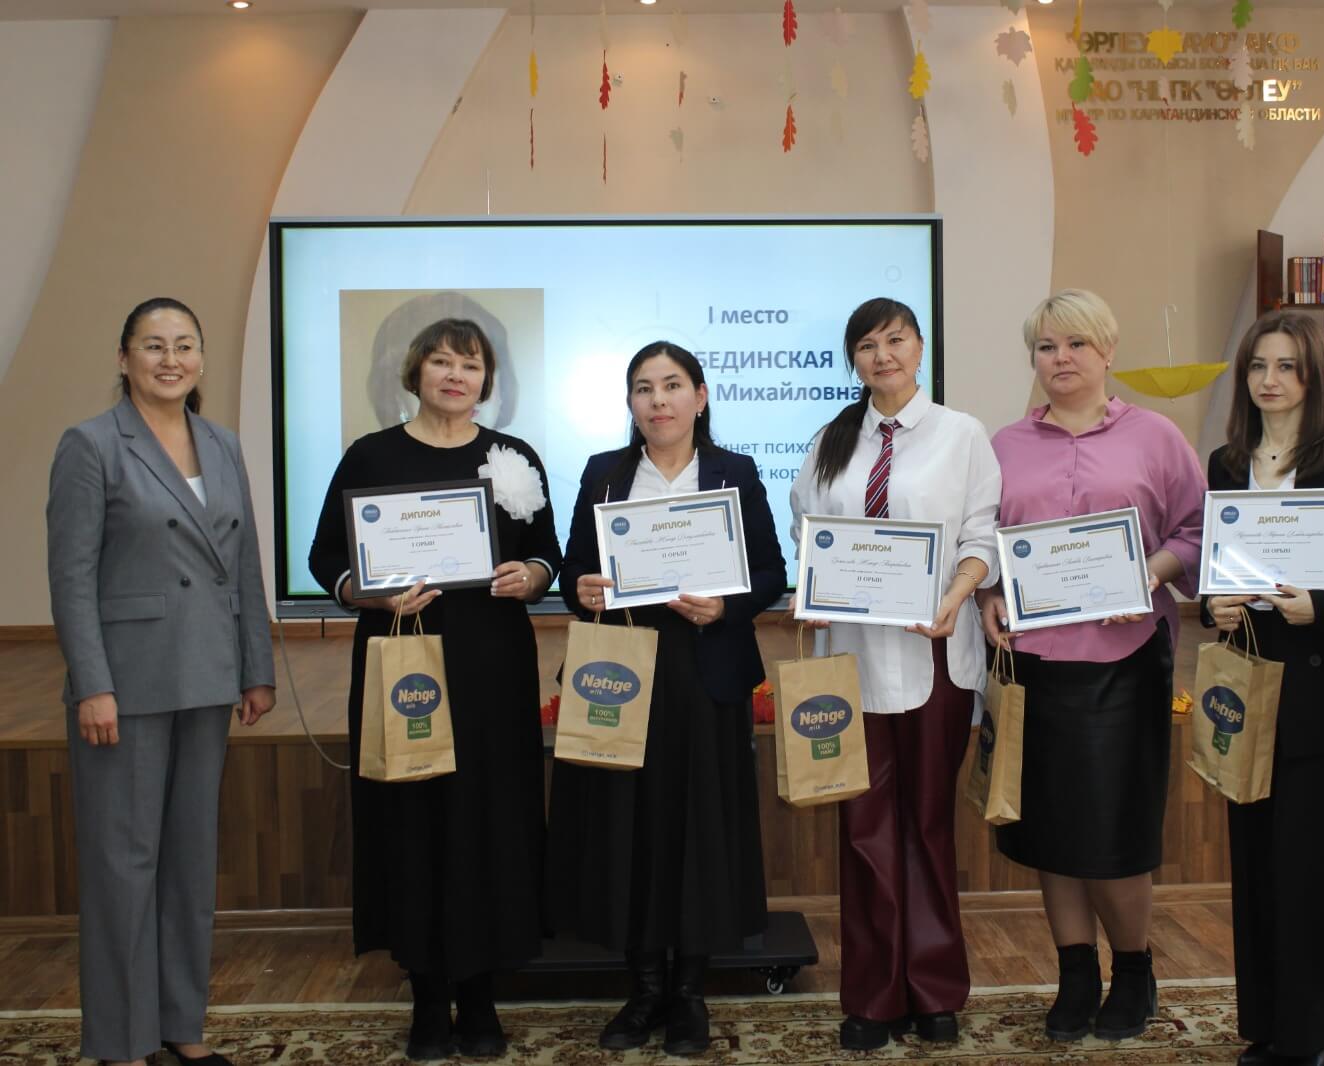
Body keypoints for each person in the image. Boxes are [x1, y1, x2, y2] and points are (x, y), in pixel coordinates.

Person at [308, 317, 562, 1060]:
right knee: (411, 818)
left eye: (471, 365)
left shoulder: (514, 457)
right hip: (402, 662)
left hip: (491, 667)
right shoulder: (370, 455)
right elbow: (327, 557)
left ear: (488, 380)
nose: (456, 376)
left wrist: (532, 576)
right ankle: (425, 996)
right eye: (442, 362)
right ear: (415, 372)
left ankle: (480, 999)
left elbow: (546, 552)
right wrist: (365, 591)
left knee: (491, 818)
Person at [47, 298, 276, 1066]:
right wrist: (92, 684)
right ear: (124, 359)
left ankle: (182, 1026)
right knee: (124, 867)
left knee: (188, 863)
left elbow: (244, 565)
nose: (169, 359)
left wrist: (255, 667)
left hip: (208, 677)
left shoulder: (222, 442)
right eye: (153, 345)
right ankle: (121, 1042)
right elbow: (71, 578)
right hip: (128, 685)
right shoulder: (91, 445)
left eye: (183, 345)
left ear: (201, 359)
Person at [979, 289, 1204, 1044]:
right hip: (1035, 666)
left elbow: (1197, 530)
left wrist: (1148, 572)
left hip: (1125, 662)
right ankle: (1075, 973)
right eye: (1047, 347)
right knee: (1051, 830)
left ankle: (1134, 969)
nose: (1061, 358)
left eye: (1076, 344)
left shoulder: (1156, 437)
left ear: (1108, 351)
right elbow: (986, 544)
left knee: (1114, 832)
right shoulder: (1005, 445)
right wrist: (987, 595)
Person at [549, 341, 785, 1056]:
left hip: (706, 672)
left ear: (700, 397)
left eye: (673, 385)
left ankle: (689, 993)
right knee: (631, 828)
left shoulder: (735, 472)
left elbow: (769, 571)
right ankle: (644, 988)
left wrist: (727, 606)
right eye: (644, 388)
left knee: (700, 829)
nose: (659, 400)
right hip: (626, 673)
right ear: (630, 403)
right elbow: (575, 570)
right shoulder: (605, 474)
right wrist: (583, 590)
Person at [789, 298, 1001, 1051]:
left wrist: (955, 595)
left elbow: (982, 533)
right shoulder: (830, 441)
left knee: (929, 824)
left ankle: (935, 991)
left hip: (934, 651)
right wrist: (813, 589)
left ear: (920, 347)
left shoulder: (961, 434)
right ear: (853, 359)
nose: (883, 355)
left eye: (896, 340)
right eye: (867, 345)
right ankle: (873, 997)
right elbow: (806, 532)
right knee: (864, 829)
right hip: (851, 657)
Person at [1203, 311, 1324, 1066]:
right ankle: (1268, 1026)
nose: (1270, 380)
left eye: (1286, 366)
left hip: (1319, 695)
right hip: (1247, 691)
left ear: (1314, 374)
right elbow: (1218, 568)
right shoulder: (1225, 462)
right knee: (1256, 870)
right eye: (1258, 366)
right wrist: (1214, 605)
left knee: (1311, 873)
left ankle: (1313, 1039)